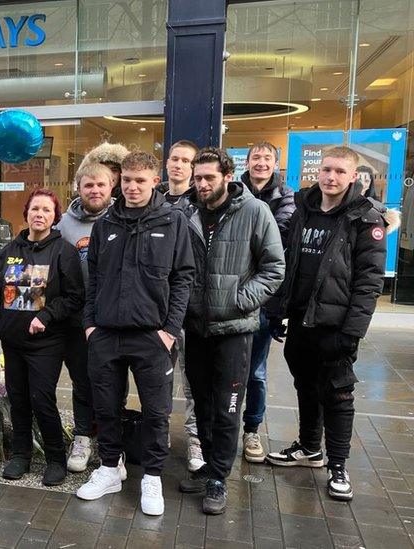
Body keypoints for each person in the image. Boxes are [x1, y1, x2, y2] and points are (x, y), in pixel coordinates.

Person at [76, 151, 195, 517]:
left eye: (140, 180)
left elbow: (183, 278)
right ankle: (110, 468)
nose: (131, 187)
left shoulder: (173, 222)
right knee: (107, 408)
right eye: (126, 180)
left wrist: (169, 331)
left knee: (157, 413)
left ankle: (152, 477)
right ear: (119, 181)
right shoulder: (106, 224)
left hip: (152, 337)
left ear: (154, 181)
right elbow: (93, 278)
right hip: (106, 335)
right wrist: (91, 324)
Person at [265, 146, 386, 502]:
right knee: (305, 384)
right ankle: (309, 448)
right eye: (326, 170)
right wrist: (278, 309)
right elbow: (287, 260)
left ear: (353, 177)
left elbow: (370, 281)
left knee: (337, 393)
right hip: (302, 318)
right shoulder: (304, 207)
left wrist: (352, 332)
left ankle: (338, 466)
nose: (331, 177)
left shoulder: (365, 219)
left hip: (336, 325)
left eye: (339, 172)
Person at [179, 148, 284, 515]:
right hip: (196, 327)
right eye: (197, 178)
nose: (202, 184)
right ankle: (208, 464)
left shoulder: (254, 211)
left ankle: (220, 477)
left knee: (228, 406)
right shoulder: (187, 212)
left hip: (234, 330)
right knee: (203, 404)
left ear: (227, 176)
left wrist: (239, 300)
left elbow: (274, 268)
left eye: (209, 177)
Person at [0, 188, 83, 486]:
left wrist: (46, 316)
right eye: (35, 209)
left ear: (55, 218)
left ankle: (55, 458)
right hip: (13, 342)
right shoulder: (10, 249)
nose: (39, 215)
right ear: (26, 213)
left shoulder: (63, 251)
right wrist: (0, 321)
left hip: (47, 343)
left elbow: (74, 297)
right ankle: (21, 455)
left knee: (42, 399)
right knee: (18, 399)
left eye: (47, 210)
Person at [237, 141, 296, 463]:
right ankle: (221, 430)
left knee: (256, 372)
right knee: (226, 371)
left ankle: (252, 430)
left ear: (276, 163)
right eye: (255, 157)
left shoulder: (285, 197)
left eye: (267, 158)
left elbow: (279, 238)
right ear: (247, 162)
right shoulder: (233, 190)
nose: (261, 162)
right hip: (229, 296)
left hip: (263, 300)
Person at [55, 161, 115, 473]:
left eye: (100, 185)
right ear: (78, 188)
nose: (94, 191)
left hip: (114, 317)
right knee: (81, 379)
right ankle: (81, 436)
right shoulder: (63, 224)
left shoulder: (123, 217)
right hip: (77, 317)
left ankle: (110, 444)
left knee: (110, 382)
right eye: (88, 185)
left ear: (111, 187)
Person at [158, 139, 204, 473]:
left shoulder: (201, 202)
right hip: (159, 307)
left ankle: (196, 442)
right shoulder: (153, 198)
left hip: (193, 307)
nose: (178, 165)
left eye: (185, 160)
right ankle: (157, 436)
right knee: (159, 377)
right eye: (174, 158)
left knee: (194, 380)